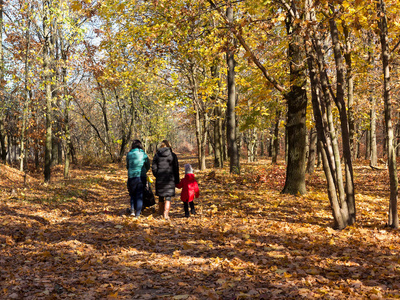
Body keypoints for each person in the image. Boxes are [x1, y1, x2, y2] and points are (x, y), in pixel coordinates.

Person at [152, 140, 179, 219]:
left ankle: (160, 212)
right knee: (168, 196)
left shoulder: (157, 155)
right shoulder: (173, 155)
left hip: (160, 178)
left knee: (160, 196)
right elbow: (176, 169)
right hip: (170, 179)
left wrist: (157, 174)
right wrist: (177, 181)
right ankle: (166, 214)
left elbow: (153, 167)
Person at [126, 140, 150, 217]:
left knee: (132, 194)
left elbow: (127, 166)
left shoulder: (129, 154)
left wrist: (131, 171)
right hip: (141, 176)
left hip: (131, 177)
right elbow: (148, 165)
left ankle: (132, 210)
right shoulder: (143, 154)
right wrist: (144, 171)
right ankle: (137, 214)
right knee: (140, 194)